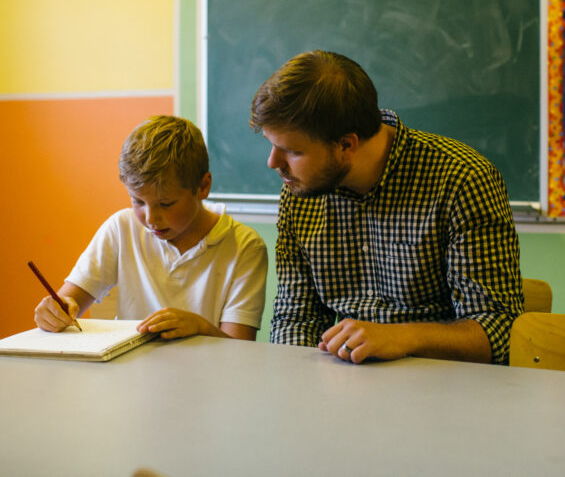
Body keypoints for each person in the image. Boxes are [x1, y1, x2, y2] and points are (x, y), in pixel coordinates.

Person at [250, 50, 523, 364]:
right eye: (272, 145)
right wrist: (297, 386)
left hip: (441, 388)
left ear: (346, 145)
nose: (273, 163)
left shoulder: (462, 180)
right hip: (337, 386)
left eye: (292, 151)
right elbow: (295, 318)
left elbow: (498, 332)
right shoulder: (302, 190)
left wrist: (400, 336)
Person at [34, 116, 268, 341]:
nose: (150, 218)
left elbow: (240, 348)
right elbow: (68, 301)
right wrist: (55, 312)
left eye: (166, 204)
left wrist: (199, 327)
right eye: (138, 201)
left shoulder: (245, 246)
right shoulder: (121, 228)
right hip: (131, 375)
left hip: (207, 378)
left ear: (203, 186)